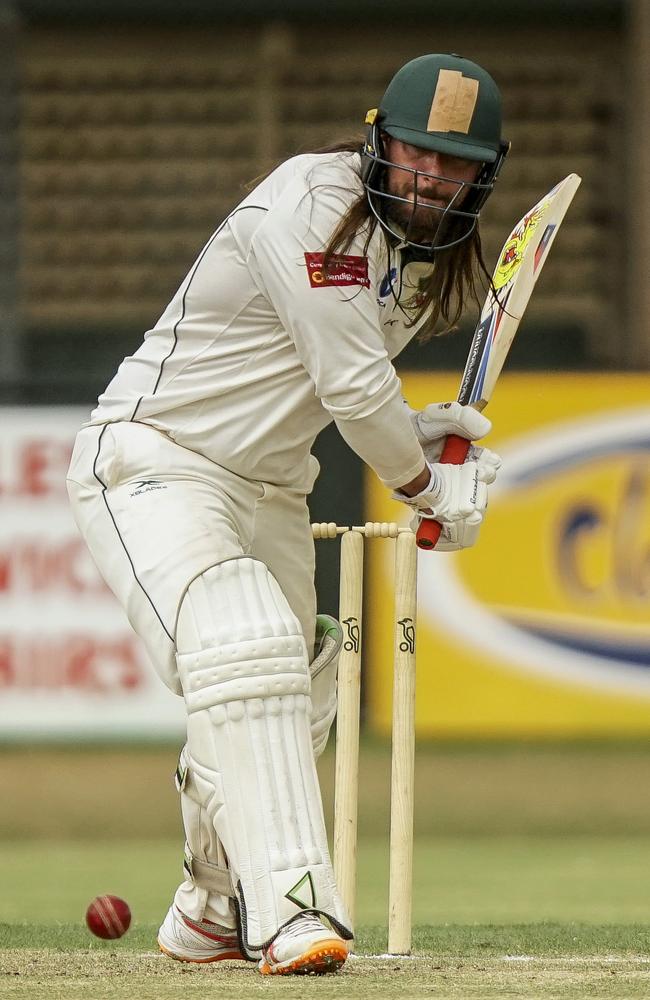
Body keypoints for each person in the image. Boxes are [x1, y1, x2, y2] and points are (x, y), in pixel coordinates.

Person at [67, 52, 508, 975]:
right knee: (245, 635)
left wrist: (419, 437)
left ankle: (212, 907)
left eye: (456, 165)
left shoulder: (422, 263)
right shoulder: (310, 205)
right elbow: (351, 386)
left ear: (482, 174)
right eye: (419, 156)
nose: (433, 179)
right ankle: (294, 911)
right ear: (379, 143)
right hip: (156, 460)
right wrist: (424, 488)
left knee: (300, 666)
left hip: (272, 486)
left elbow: (334, 383)